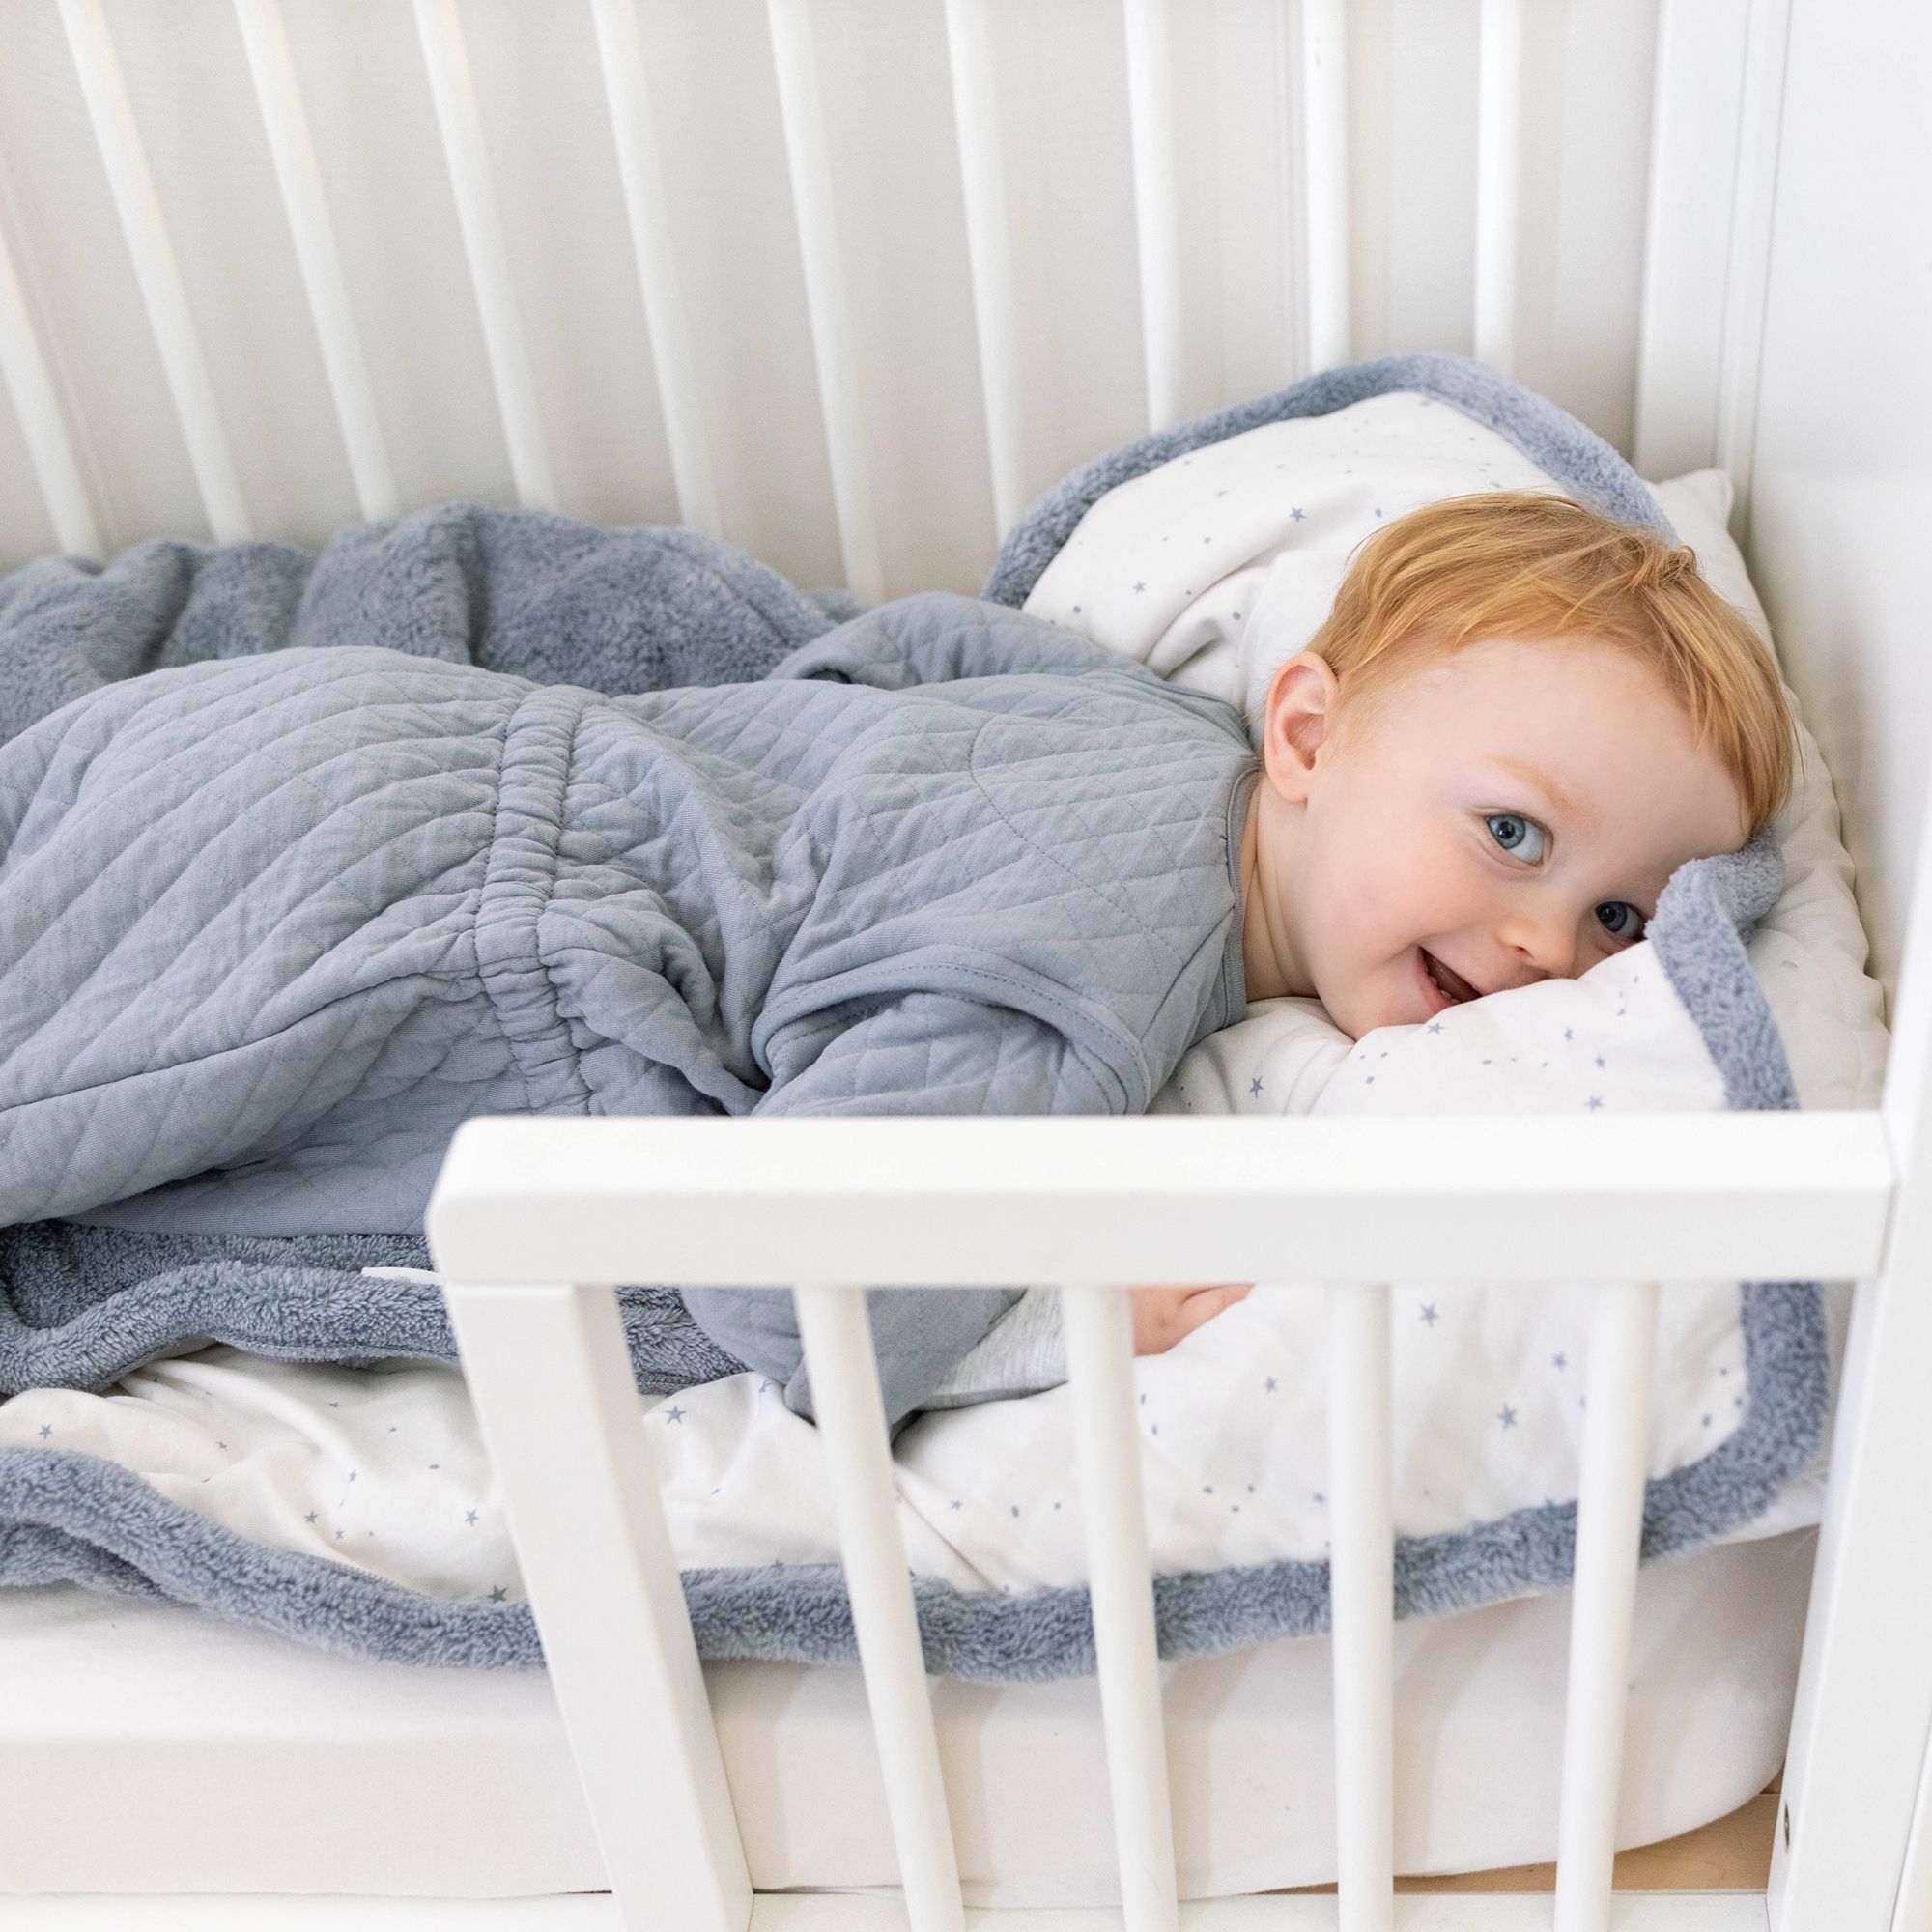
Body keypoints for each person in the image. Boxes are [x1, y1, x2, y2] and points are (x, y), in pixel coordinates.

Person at [0, 492, 1797, 1424]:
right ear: (1310, 735)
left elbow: (900, 658)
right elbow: (790, 1285)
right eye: (1512, 835)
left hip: (329, 743)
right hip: (390, 900)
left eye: (1621, 920)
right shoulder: (1106, 951)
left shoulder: (1135, 724)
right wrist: (1058, 1307)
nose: (1540, 944)